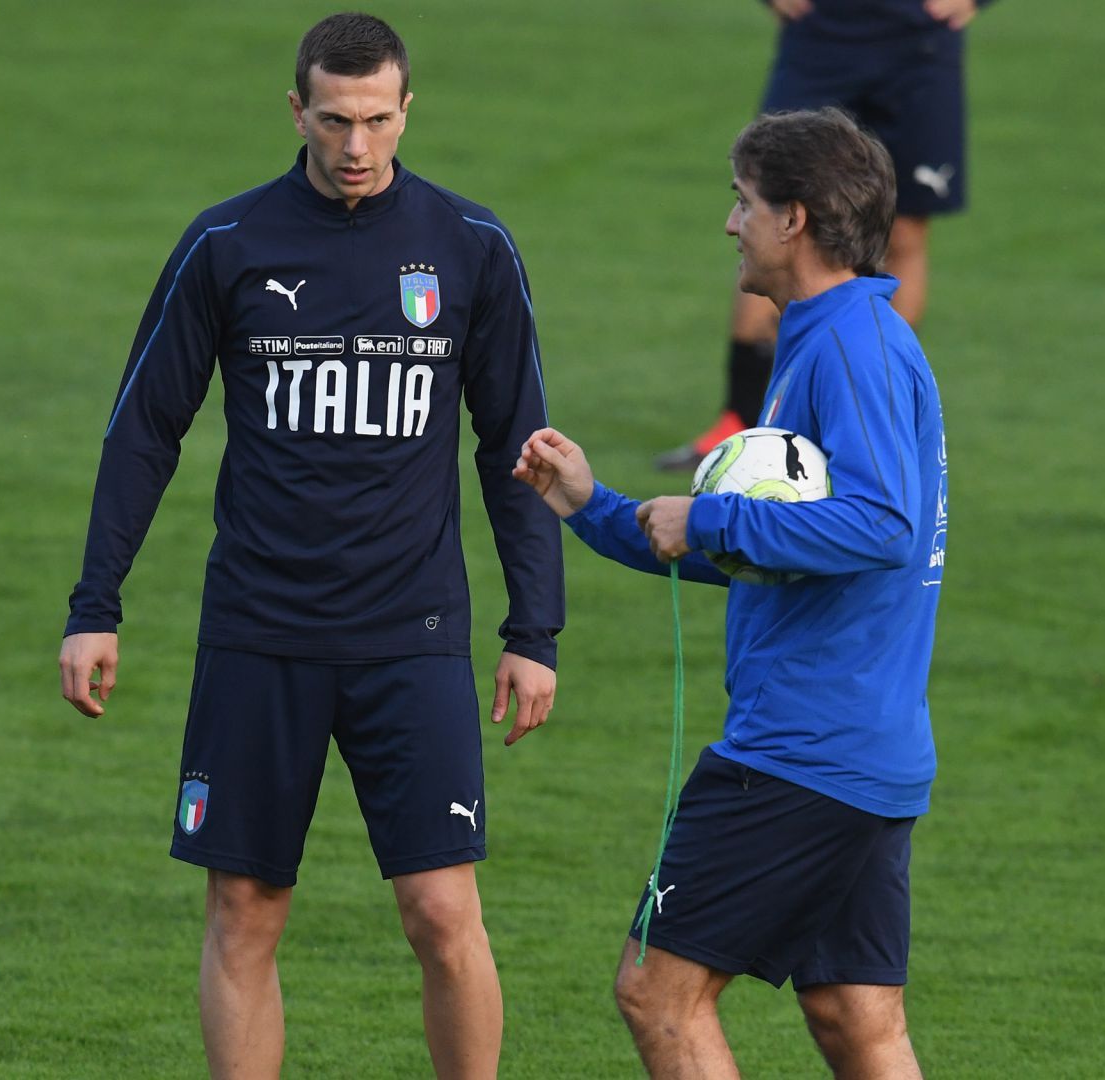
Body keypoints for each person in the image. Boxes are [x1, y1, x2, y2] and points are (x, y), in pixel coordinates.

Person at [57, 13, 563, 1077]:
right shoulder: (226, 245)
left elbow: (517, 448)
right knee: (246, 907)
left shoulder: (470, 248)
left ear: (407, 110)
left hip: (411, 633)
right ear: (297, 110)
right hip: (259, 631)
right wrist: (96, 604)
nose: (356, 146)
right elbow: (145, 428)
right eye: (334, 120)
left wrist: (535, 629)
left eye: (378, 120)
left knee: (439, 909)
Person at [515, 108, 947, 1078]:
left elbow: (882, 527)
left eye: (742, 202)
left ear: (794, 219)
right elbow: (787, 548)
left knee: (658, 993)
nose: (729, 224)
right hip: (863, 749)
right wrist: (596, 508)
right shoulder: (831, 339)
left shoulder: (852, 350)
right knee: (853, 1015)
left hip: (800, 750)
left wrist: (705, 517)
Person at [655, 0, 985, 472]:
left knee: (905, 231)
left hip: (920, 45)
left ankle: (879, 414)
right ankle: (740, 418)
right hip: (822, 36)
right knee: (770, 215)